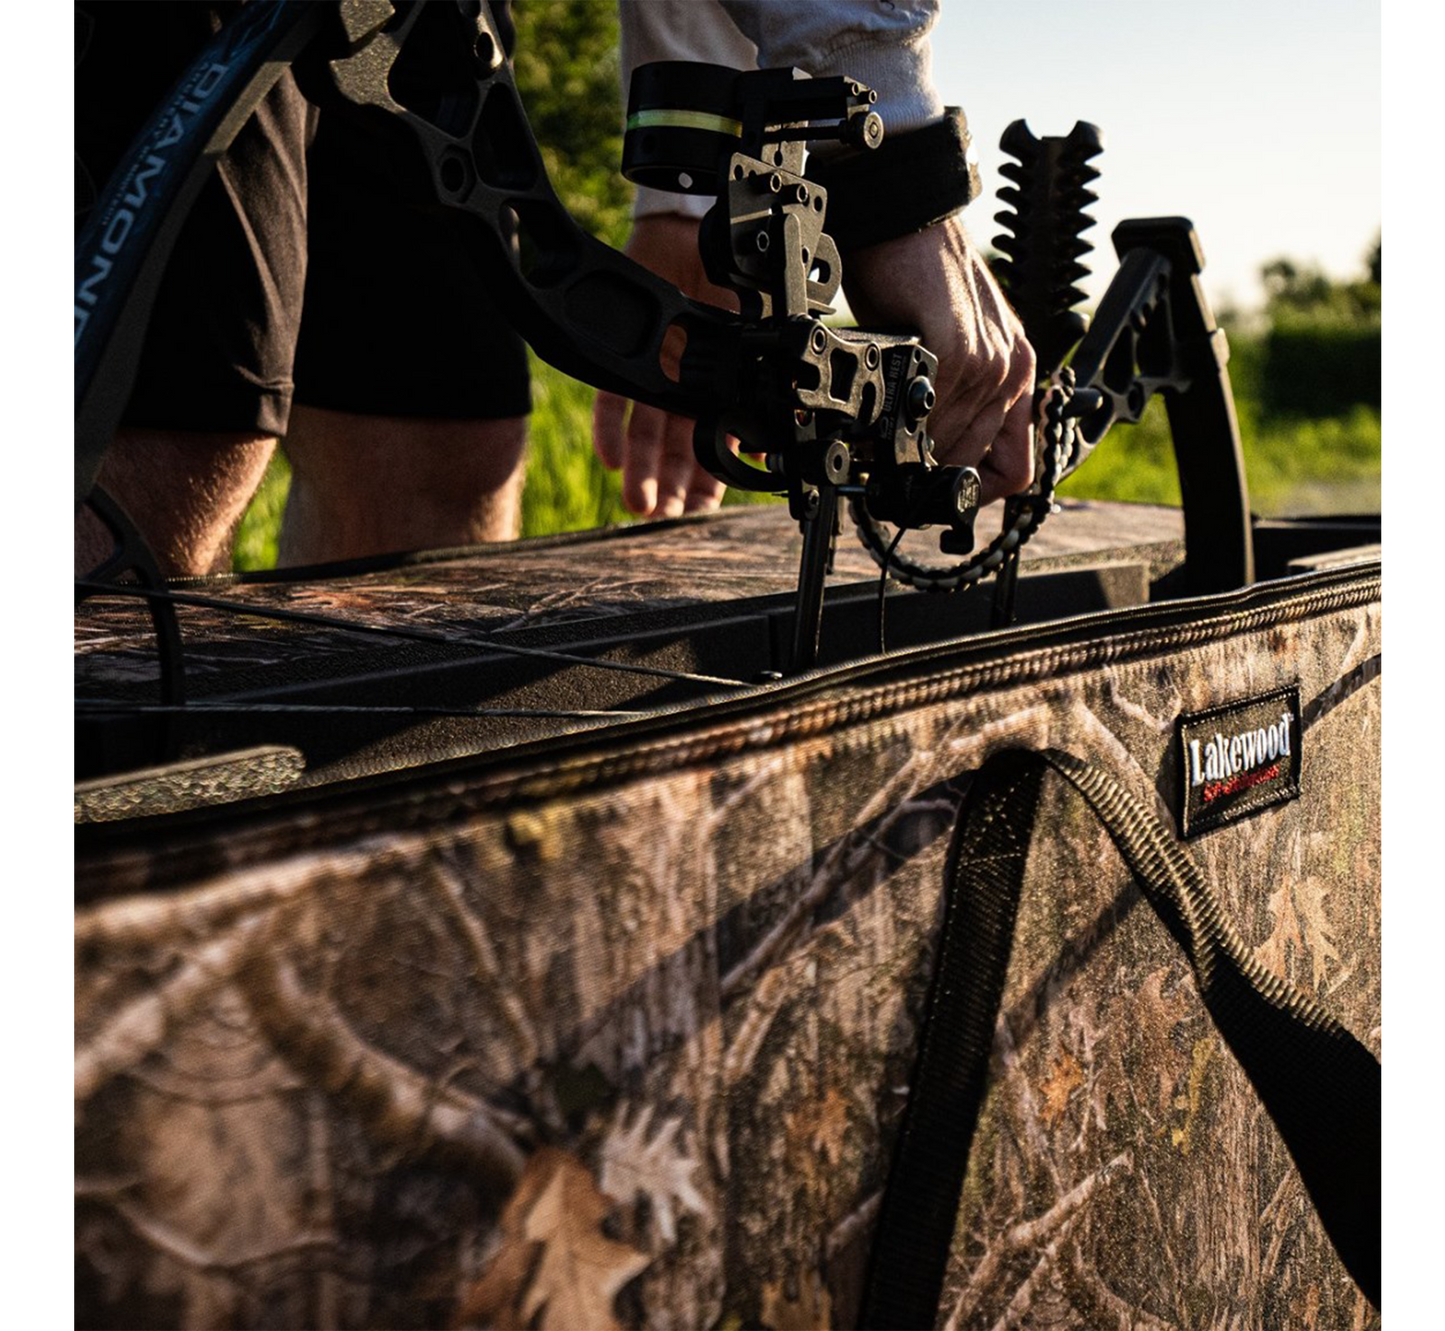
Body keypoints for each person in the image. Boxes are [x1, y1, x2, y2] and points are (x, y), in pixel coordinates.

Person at [71, 0, 1033, 578]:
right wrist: (896, 171)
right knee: (168, 440)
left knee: (443, 454)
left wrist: (682, 205)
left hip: (422, 19)